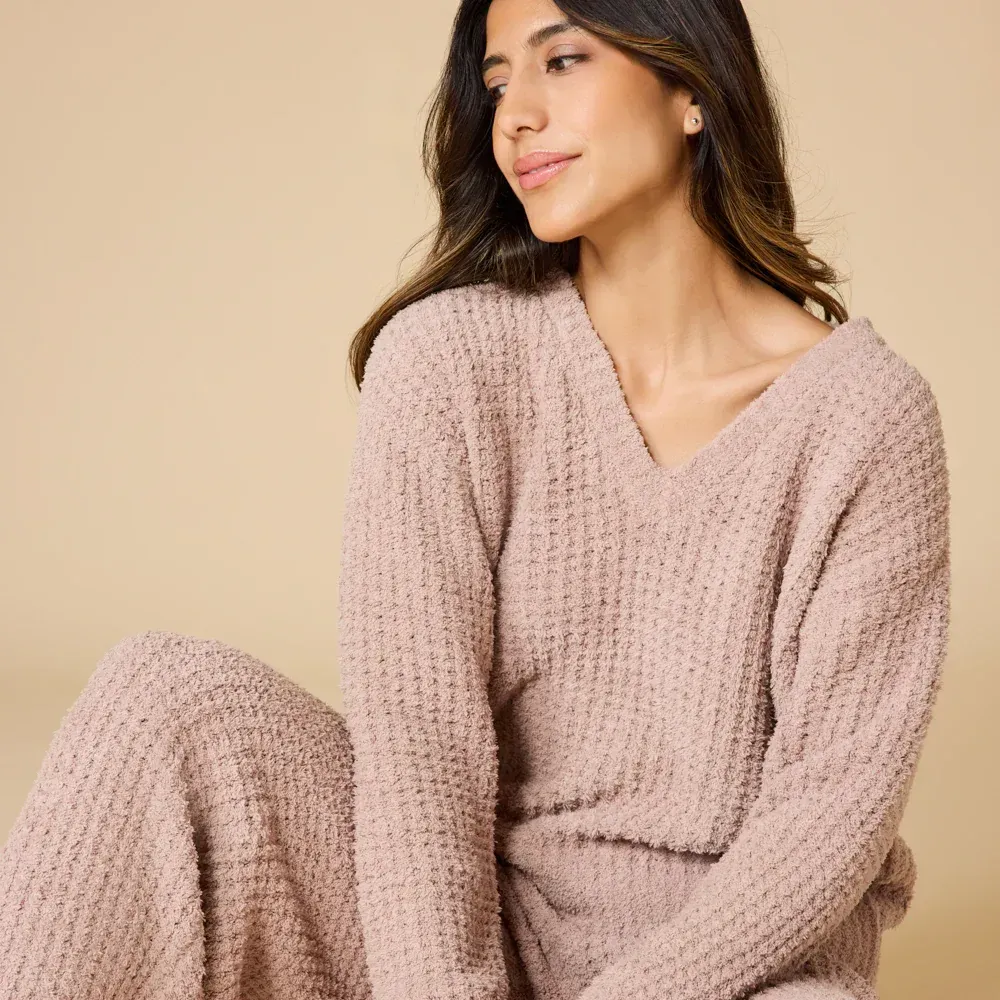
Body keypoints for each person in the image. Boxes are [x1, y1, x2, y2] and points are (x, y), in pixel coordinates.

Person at [0, 1, 951, 999]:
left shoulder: (866, 417)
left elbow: (830, 810)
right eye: (497, 82)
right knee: (163, 695)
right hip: (468, 935)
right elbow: (421, 740)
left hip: (732, 964)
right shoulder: (447, 361)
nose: (516, 116)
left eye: (563, 61)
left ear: (692, 90)